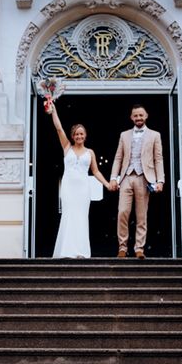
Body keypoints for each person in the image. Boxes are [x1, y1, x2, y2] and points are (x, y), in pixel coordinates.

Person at [47, 103, 112, 258]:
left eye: (81, 134)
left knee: (81, 217)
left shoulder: (90, 152)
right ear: (72, 136)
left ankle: (80, 251)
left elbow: (95, 171)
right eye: (76, 134)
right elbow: (59, 128)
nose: (79, 136)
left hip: (83, 188)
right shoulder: (67, 147)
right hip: (68, 186)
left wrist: (107, 184)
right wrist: (54, 110)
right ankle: (67, 250)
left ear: (85, 135)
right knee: (69, 214)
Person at [110, 104, 165, 259]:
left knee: (141, 215)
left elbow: (158, 159)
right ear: (131, 117)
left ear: (146, 116)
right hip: (127, 177)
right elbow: (118, 158)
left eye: (141, 115)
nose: (138, 118)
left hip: (144, 177)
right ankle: (122, 247)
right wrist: (114, 178)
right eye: (136, 115)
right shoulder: (124, 135)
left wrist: (160, 180)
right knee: (122, 212)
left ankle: (139, 248)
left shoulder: (155, 135)